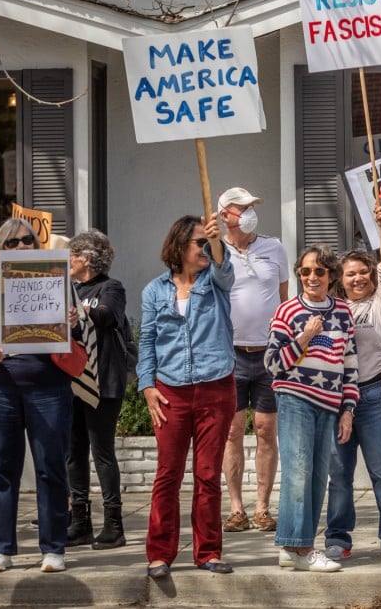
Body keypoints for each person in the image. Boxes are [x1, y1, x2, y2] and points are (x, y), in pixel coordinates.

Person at [138, 213, 236, 577]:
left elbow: (226, 270)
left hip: (216, 388)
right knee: (168, 473)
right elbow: (146, 341)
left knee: (209, 474)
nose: (205, 250)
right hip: (170, 392)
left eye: (207, 243)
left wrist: (218, 240)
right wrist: (147, 385)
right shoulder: (154, 290)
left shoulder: (216, 279)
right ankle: (159, 554)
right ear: (180, 247)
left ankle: (208, 552)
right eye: (199, 243)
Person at [0, 219, 81, 573]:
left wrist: (75, 320)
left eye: (28, 240)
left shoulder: (60, 282)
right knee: (1, 468)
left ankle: (53, 549)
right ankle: (0, 548)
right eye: (12, 243)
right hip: (1, 385)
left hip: (49, 384)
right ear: (1, 249)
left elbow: (80, 331)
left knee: (50, 466)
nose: (21, 247)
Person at [324, 203, 381, 564]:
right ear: (339, 281)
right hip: (336, 399)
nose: (358, 278)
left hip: (375, 393)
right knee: (339, 474)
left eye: (363, 273)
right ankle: (338, 539)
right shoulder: (331, 309)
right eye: (350, 274)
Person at [266, 244, 356, 572]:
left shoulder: (344, 312)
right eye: (305, 271)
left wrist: (348, 409)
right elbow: (273, 364)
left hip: (329, 405)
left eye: (319, 270)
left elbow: (350, 365)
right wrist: (304, 337)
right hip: (294, 398)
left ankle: (292, 548)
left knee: (319, 477)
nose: (311, 277)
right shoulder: (287, 311)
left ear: (330, 275)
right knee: (298, 472)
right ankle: (301, 548)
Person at [218, 187, 289, 535]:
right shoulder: (214, 251)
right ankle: (235, 508)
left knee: (265, 430)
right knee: (231, 431)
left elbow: (283, 299)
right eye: (241, 207)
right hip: (229, 353)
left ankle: (262, 507)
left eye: (251, 206)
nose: (248, 212)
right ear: (224, 214)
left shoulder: (273, 247)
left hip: (268, 353)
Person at [66, 229, 129, 550]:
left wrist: (85, 311)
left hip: (103, 380)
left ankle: (114, 526)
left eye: (71, 256)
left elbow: (109, 316)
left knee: (102, 452)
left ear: (86, 259)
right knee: (73, 454)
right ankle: (80, 523)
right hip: (72, 379)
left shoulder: (110, 287)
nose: (68, 262)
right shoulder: (67, 289)